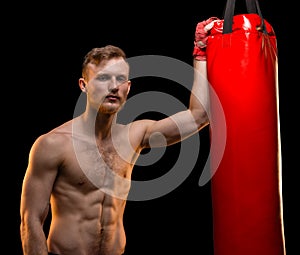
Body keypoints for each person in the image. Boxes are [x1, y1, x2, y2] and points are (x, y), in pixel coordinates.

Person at [20, 18, 217, 255]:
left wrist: (200, 53)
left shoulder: (136, 135)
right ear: (83, 85)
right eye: (103, 78)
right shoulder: (53, 144)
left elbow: (200, 116)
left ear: (129, 87)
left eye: (120, 79)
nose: (114, 86)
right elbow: (31, 221)